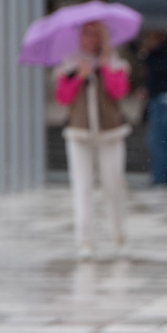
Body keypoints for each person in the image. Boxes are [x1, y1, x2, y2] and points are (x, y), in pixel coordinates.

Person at [54, 21, 131, 261]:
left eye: (94, 34)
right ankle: (85, 242)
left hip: (111, 132)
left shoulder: (115, 61)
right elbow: (62, 98)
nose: (89, 39)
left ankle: (119, 236)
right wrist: (79, 76)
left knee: (113, 184)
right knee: (82, 186)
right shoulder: (70, 63)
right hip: (79, 132)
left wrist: (106, 66)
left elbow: (119, 92)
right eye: (85, 34)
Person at [137, 30, 167, 186]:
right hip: (162, 99)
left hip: (164, 100)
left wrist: (146, 54)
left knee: (159, 141)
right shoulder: (166, 51)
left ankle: (162, 177)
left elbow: (159, 71)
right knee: (165, 140)